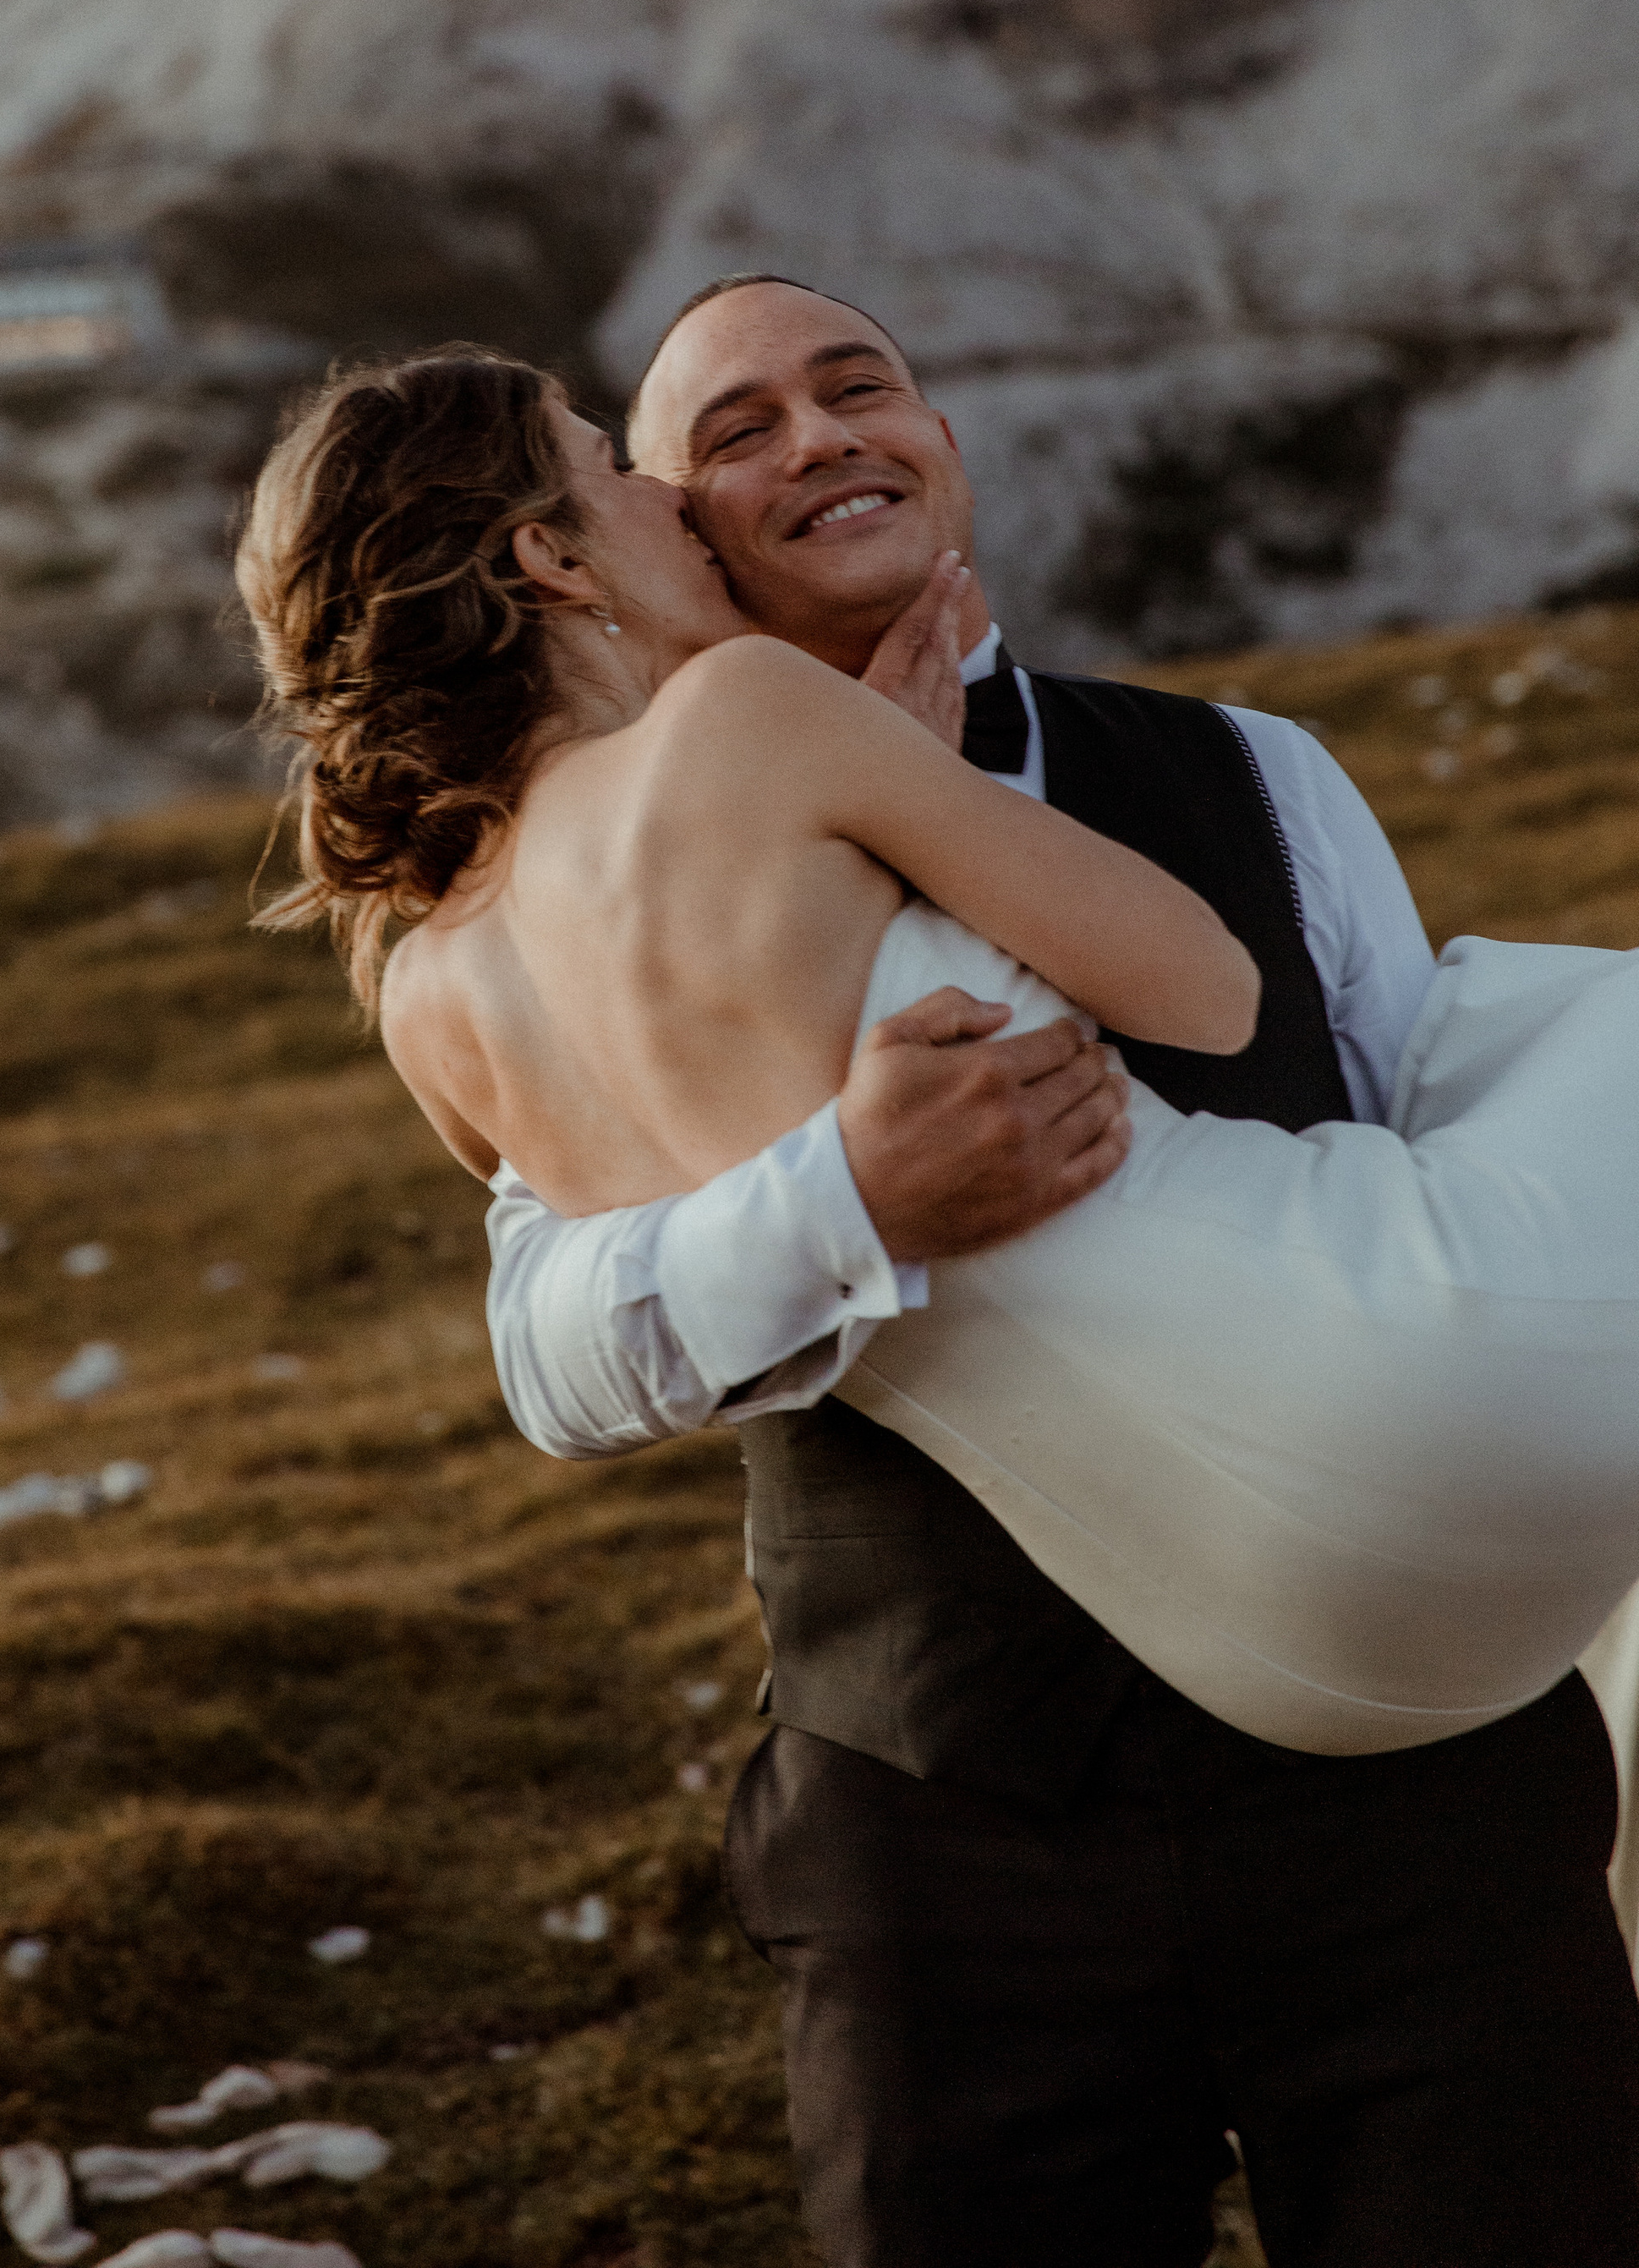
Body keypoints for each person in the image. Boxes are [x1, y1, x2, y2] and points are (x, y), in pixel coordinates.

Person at [233, 313, 1639, 2268]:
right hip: (947, 1811)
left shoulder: (1248, 772)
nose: (812, 439)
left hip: (1399, 1804)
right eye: (697, 441)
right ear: (619, 542)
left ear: (937, 434)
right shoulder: (745, 738)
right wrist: (844, 1188)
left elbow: (1386, 1083)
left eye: (859, 386)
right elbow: (556, 1353)